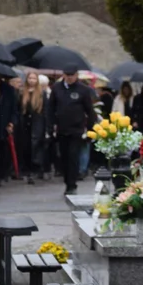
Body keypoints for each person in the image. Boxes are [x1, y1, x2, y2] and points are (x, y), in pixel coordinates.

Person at [47, 66, 95, 195]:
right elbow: (50, 109)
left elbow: (90, 111)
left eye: (72, 75)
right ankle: (67, 180)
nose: (69, 77)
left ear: (76, 75)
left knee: (73, 156)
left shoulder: (83, 90)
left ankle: (72, 185)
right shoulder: (57, 88)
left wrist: (91, 130)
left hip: (76, 129)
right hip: (61, 129)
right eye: (67, 75)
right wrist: (50, 127)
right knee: (63, 157)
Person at [18, 71, 48, 183]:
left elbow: (45, 110)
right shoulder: (22, 93)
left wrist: (47, 127)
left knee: (36, 144)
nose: (31, 81)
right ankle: (26, 169)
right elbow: (19, 109)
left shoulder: (41, 94)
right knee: (25, 145)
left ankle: (36, 168)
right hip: (25, 122)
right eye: (30, 78)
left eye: (34, 78)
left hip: (37, 121)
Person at [0, 73, 19, 184]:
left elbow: (14, 109)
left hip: (4, 122)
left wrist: (12, 123)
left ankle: (2, 173)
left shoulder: (8, 90)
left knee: (4, 149)